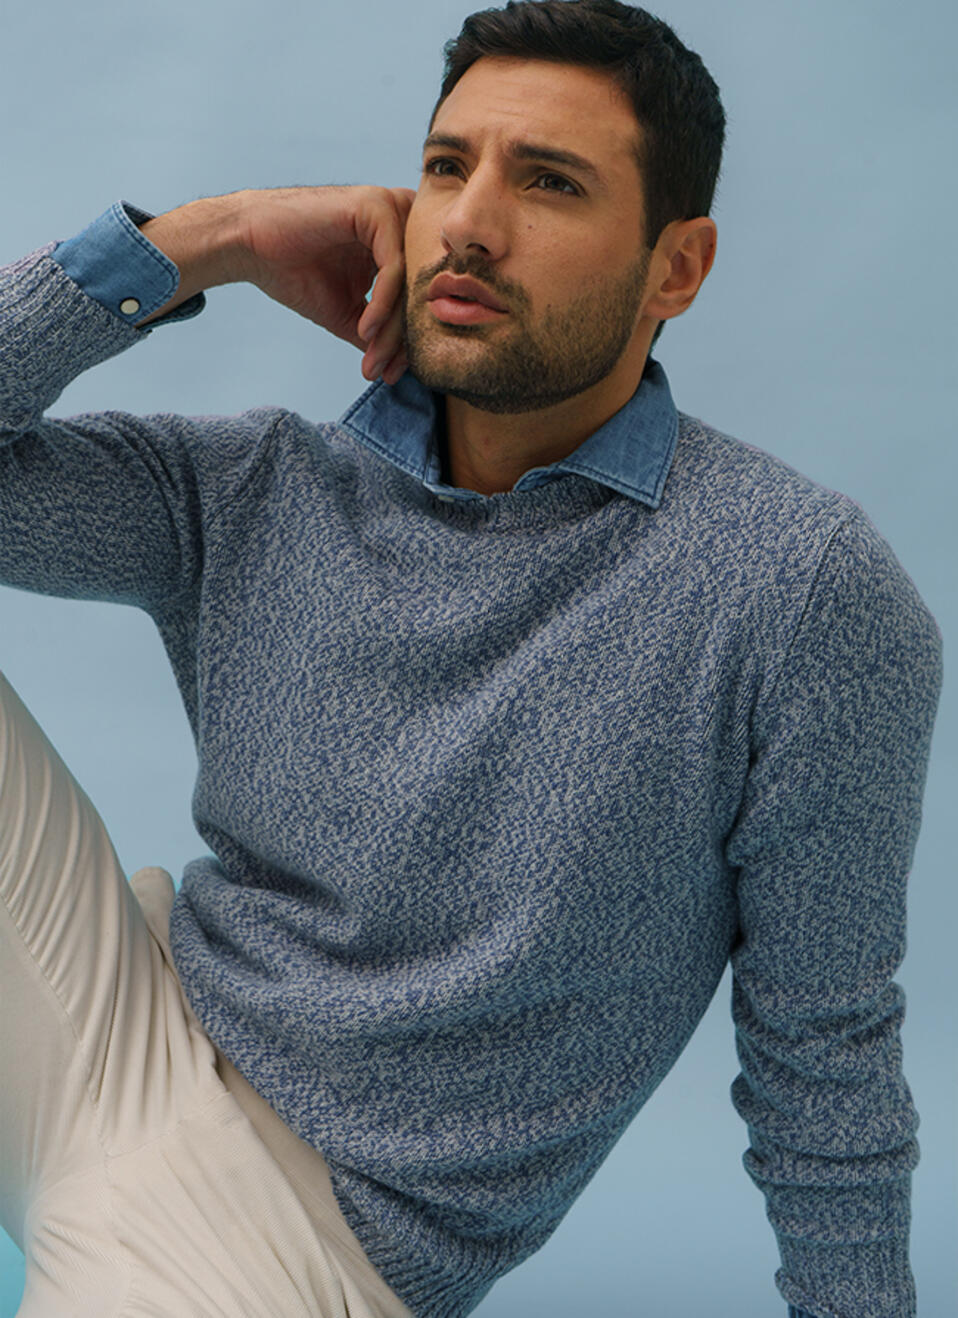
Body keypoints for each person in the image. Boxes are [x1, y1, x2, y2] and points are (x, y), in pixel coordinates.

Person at [0, 1, 942, 1315]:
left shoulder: (797, 589)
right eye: (448, 167)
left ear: (676, 268)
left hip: (291, 1238)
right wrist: (210, 237)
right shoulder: (259, 483)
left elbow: (822, 1047)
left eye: (548, 182)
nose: (469, 223)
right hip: (107, 1010)